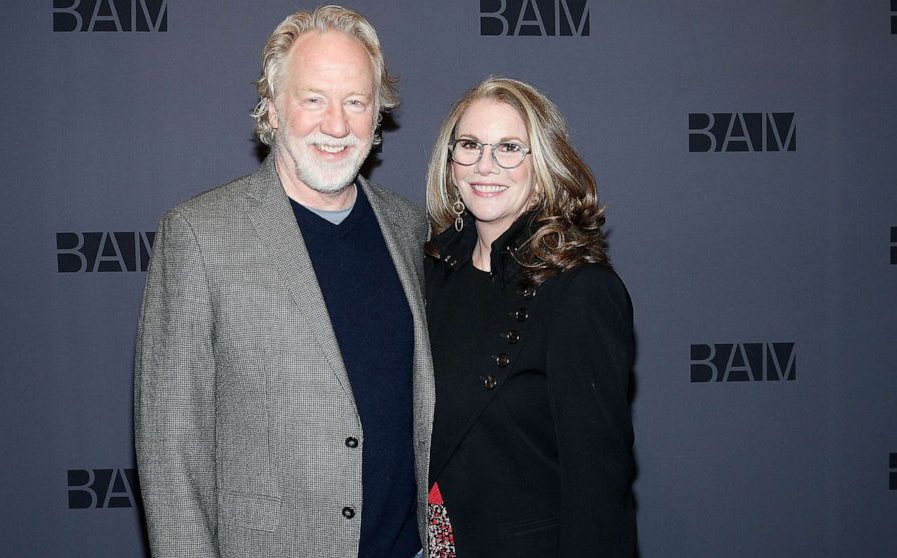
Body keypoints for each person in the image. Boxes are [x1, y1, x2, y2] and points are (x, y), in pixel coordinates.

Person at [133, 6, 433, 557]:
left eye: (355, 102)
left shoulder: (409, 227)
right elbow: (169, 453)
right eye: (313, 98)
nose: (336, 125)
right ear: (271, 110)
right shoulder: (200, 234)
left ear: (378, 116)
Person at [422, 77, 637, 557]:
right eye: (471, 145)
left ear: (541, 168)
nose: (485, 165)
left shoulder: (580, 291)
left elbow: (599, 486)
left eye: (509, 148)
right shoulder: (430, 273)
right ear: (451, 162)